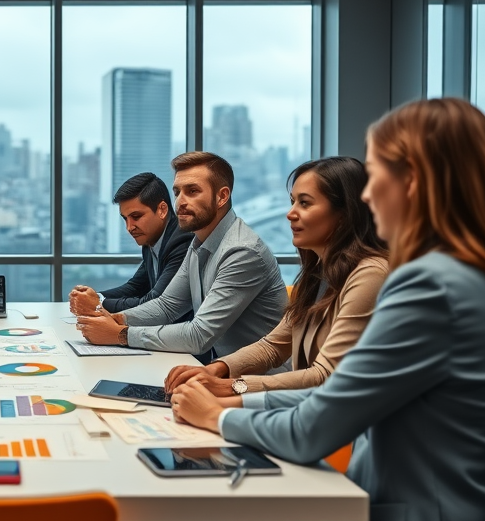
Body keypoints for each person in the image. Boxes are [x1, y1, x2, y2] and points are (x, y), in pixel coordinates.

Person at [168, 97, 485, 521]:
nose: (368, 193)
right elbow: (331, 390)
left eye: (378, 173)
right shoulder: (465, 277)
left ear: (415, 181)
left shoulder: (426, 287)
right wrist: (232, 400)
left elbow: (315, 424)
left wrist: (221, 417)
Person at [164, 156, 388, 397]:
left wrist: (232, 387)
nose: (290, 214)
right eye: (293, 202)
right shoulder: (318, 274)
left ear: (344, 212)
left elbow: (326, 375)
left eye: (305, 203)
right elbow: (272, 347)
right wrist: (217, 369)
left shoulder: (370, 275)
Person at [75, 151, 286, 361]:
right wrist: (115, 319)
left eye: (192, 191)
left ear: (222, 196)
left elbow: (199, 335)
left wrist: (119, 334)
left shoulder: (242, 251)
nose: (180, 202)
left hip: (259, 382)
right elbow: (167, 306)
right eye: (177, 192)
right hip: (222, 370)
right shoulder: (198, 243)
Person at [69, 171, 193, 314]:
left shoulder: (181, 242)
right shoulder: (151, 239)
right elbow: (135, 287)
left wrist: (98, 303)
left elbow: (154, 302)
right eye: (125, 218)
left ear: (162, 210)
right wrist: (92, 297)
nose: (129, 227)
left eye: (136, 216)